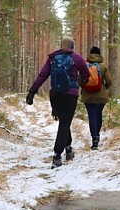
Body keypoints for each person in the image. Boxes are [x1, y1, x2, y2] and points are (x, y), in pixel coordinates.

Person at [26, 36, 90, 168]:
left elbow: (42, 75)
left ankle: (68, 147)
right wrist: (79, 83)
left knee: (63, 122)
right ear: (72, 46)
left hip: (55, 96)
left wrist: (32, 91)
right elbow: (87, 76)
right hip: (70, 96)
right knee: (65, 123)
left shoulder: (52, 58)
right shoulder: (77, 58)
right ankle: (57, 154)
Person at [79, 46, 112, 150]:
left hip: (88, 96)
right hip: (101, 96)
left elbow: (80, 80)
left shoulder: (85, 65)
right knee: (98, 115)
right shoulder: (102, 66)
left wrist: (84, 88)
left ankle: (94, 140)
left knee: (91, 116)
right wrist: (104, 88)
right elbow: (109, 81)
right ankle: (97, 136)